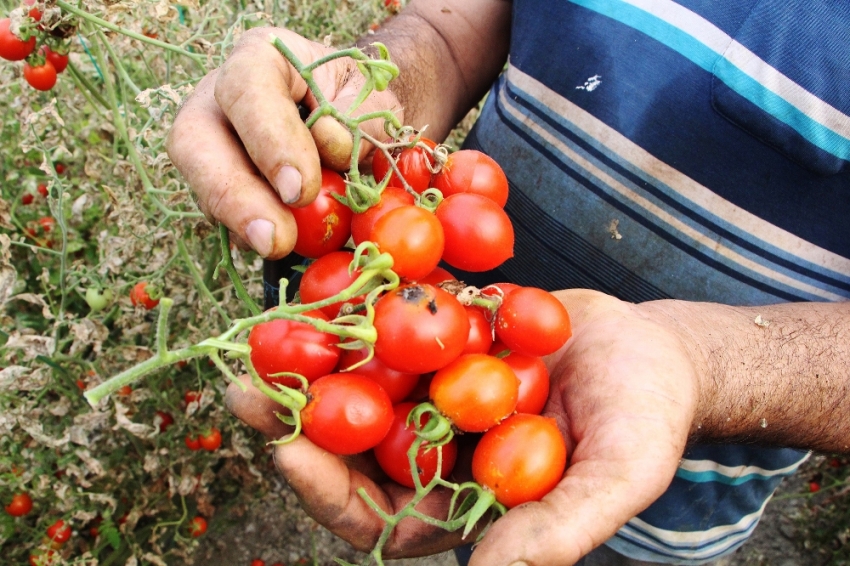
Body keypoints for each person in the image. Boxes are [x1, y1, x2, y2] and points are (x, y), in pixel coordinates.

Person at [166, 1, 850, 564]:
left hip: (671, 508)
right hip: (462, 418)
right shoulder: (425, 344)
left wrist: (703, 367)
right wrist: (378, 96)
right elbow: (447, 27)